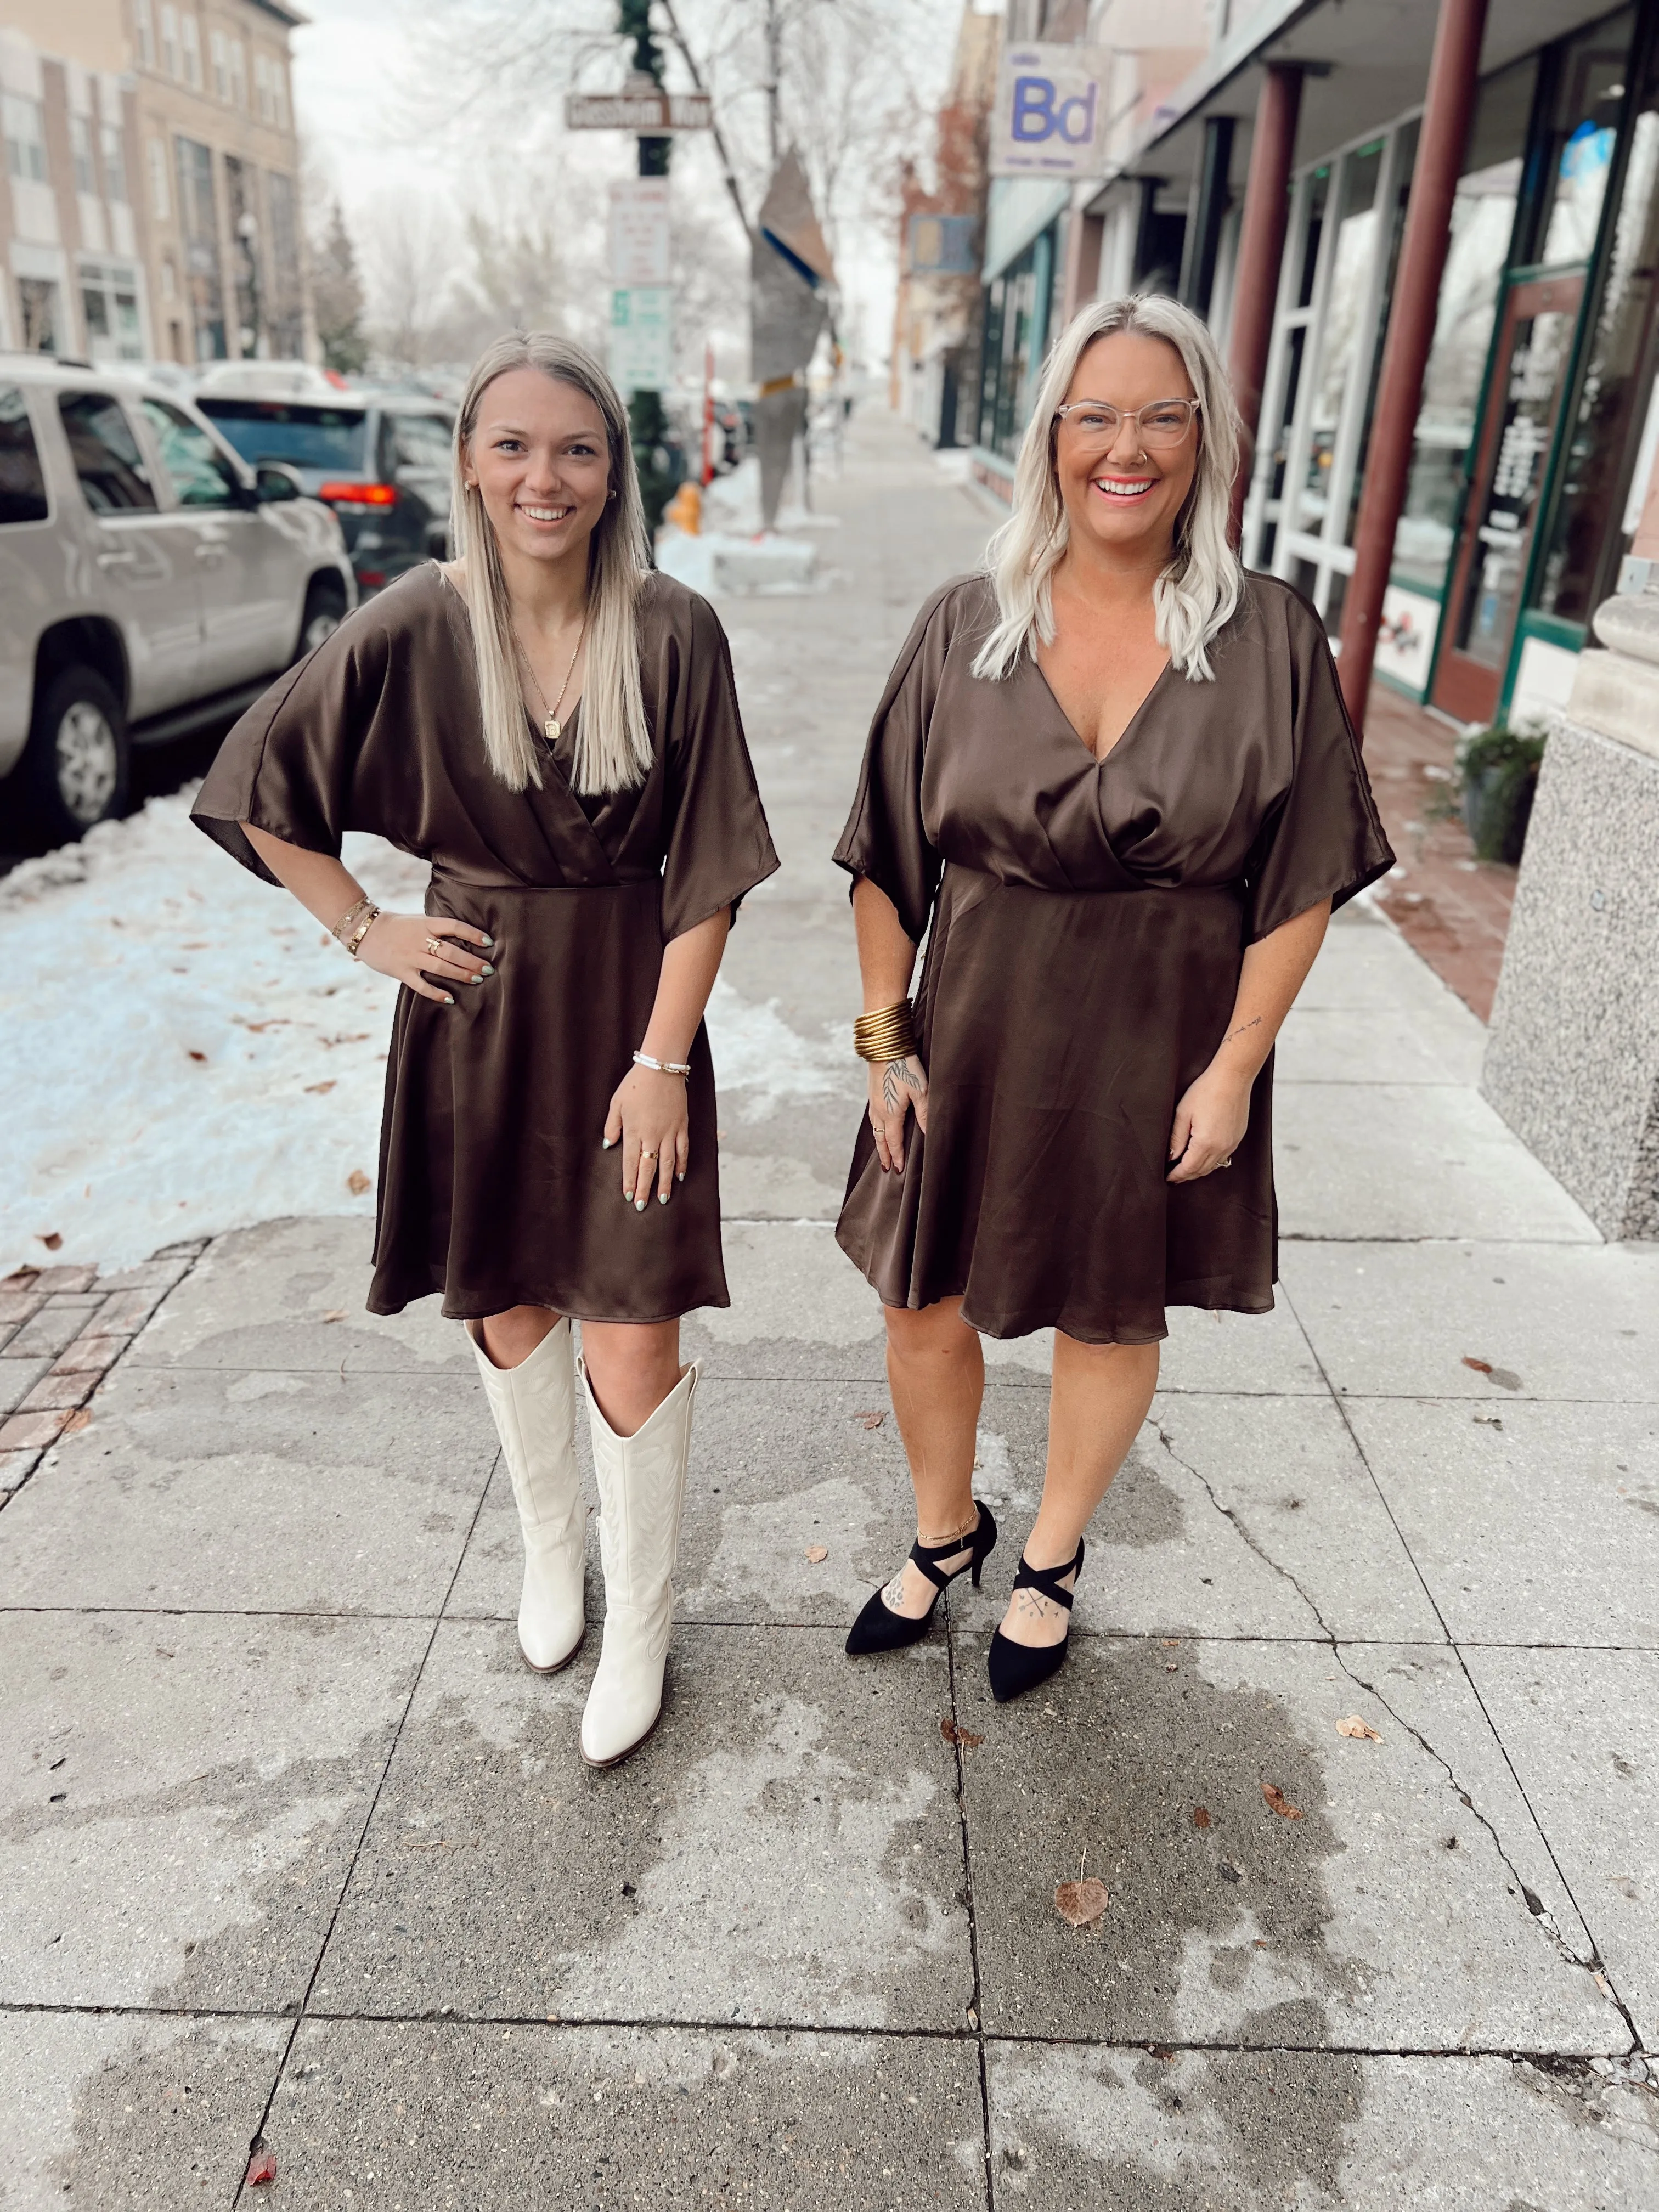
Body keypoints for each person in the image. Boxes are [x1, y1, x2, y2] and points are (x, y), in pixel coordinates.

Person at [192, 332, 777, 1767]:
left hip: (629, 1012)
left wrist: (661, 1063)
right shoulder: (415, 621)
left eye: (576, 449)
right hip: (479, 1018)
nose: (543, 477)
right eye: (512, 445)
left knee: (634, 1322)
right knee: (509, 1302)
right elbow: (262, 786)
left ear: (613, 472)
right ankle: (550, 1552)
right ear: (468, 460)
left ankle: (640, 1627)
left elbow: (711, 873)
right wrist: (362, 927)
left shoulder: (672, 629)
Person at [832, 295, 1393, 1705]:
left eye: (1160, 417)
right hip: (971, 1023)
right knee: (921, 1299)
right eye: (1094, 417)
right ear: (1052, 438)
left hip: (1160, 1037)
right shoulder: (964, 623)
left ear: (1206, 439)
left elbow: (1303, 880)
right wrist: (886, 1042)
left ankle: (1052, 1557)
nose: (1124, 449)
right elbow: (885, 858)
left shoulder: (1268, 633)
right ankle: (945, 1531)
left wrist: (1235, 1068)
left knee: (1111, 1311)